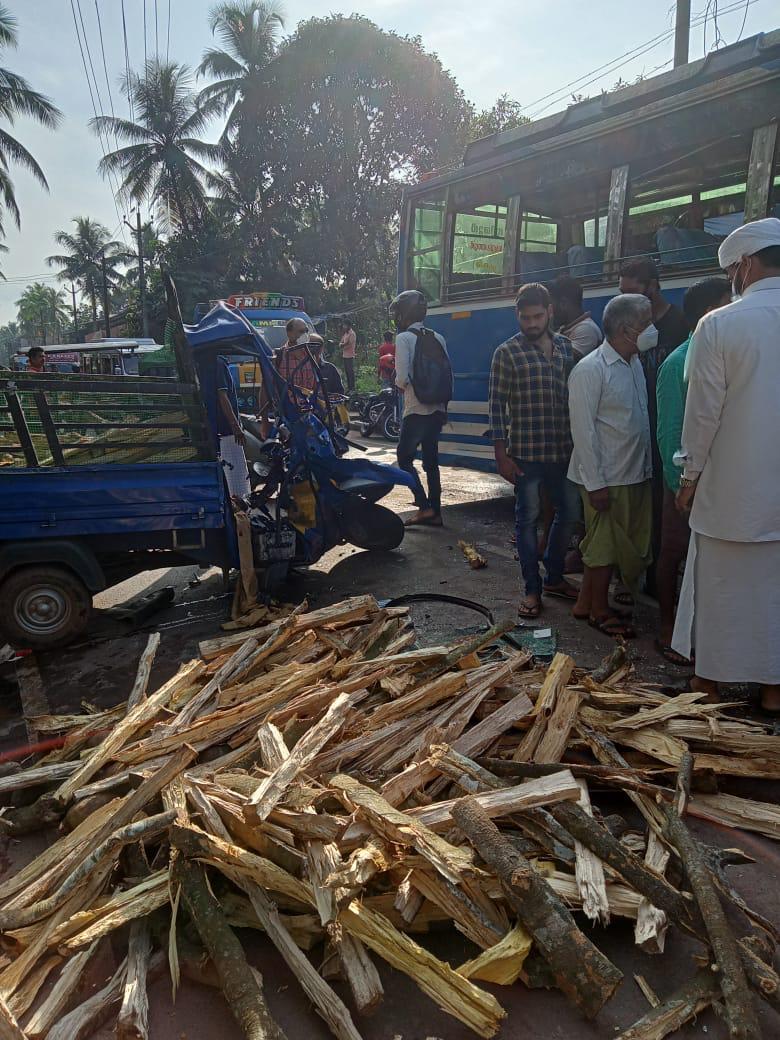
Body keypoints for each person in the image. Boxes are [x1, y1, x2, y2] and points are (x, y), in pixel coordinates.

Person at [672, 217, 780, 713]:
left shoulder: (718, 324)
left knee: (718, 587)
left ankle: (710, 682)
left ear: (747, 266)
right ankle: (773, 688)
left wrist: (688, 476)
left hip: (731, 491)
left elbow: (702, 414)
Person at [488, 283, 580, 618]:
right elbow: (496, 405)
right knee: (526, 522)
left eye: (537, 316)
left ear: (550, 312)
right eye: (525, 317)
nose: (531, 323)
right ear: (518, 316)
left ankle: (554, 576)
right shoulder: (506, 353)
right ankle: (532, 588)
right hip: (524, 453)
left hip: (563, 451)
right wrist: (501, 453)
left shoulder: (567, 349)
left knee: (570, 514)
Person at [654, 277, 731, 665]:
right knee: (673, 553)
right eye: (724, 304)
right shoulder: (677, 364)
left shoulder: (717, 355)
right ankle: (667, 627)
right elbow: (670, 433)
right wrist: (679, 487)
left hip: (713, 482)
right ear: (707, 314)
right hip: (682, 484)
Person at [568, 294, 654, 638]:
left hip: (634, 471)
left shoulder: (633, 363)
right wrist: (596, 484)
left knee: (613, 545)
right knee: (604, 548)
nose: (652, 330)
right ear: (625, 329)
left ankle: (585, 603)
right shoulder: (590, 370)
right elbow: (584, 433)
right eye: (646, 323)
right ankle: (599, 611)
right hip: (605, 477)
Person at [619, 258, 690, 598]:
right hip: (640, 429)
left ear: (652, 287)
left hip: (670, 430)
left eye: (631, 292)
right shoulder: (629, 329)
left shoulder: (678, 324)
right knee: (642, 509)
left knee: (667, 513)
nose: (625, 300)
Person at [392, 289, 450, 527]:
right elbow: (447, 374)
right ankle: (435, 511)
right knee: (431, 461)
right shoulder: (438, 336)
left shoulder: (404, 338)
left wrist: (399, 382)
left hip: (416, 409)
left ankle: (423, 505)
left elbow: (402, 378)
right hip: (437, 409)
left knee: (404, 458)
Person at [216, 355, 251, 501]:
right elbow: (222, 397)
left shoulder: (217, 362)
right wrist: (235, 427)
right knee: (237, 481)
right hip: (228, 431)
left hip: (225, 429)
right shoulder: (218, 364)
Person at [550, 276, 602, 358]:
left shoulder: (586, 329)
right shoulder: (565, 327)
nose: (550, 311)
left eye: (551, 306)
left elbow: (562, 362)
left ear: (563, 303)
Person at [275, 317, 318, 395]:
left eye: (306, 331)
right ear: (289, 333)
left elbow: (316, 385)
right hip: (287, 405)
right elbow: (269, 384)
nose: (305, 334)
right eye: (301, 331)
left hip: (308, 405)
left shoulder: (311, 356)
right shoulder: (279, 356)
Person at [339, 320, 357, 391]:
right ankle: (349, 387)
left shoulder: (352, 334)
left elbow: (349, 344)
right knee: (347, 371)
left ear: (349, 326)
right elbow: (341, 342)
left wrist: (342, 345)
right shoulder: (345, 334)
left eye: (345, 325)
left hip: (350, 355)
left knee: (350, 372)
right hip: (345, 355)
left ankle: (352, 388)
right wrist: (342, 344)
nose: (344, 327)